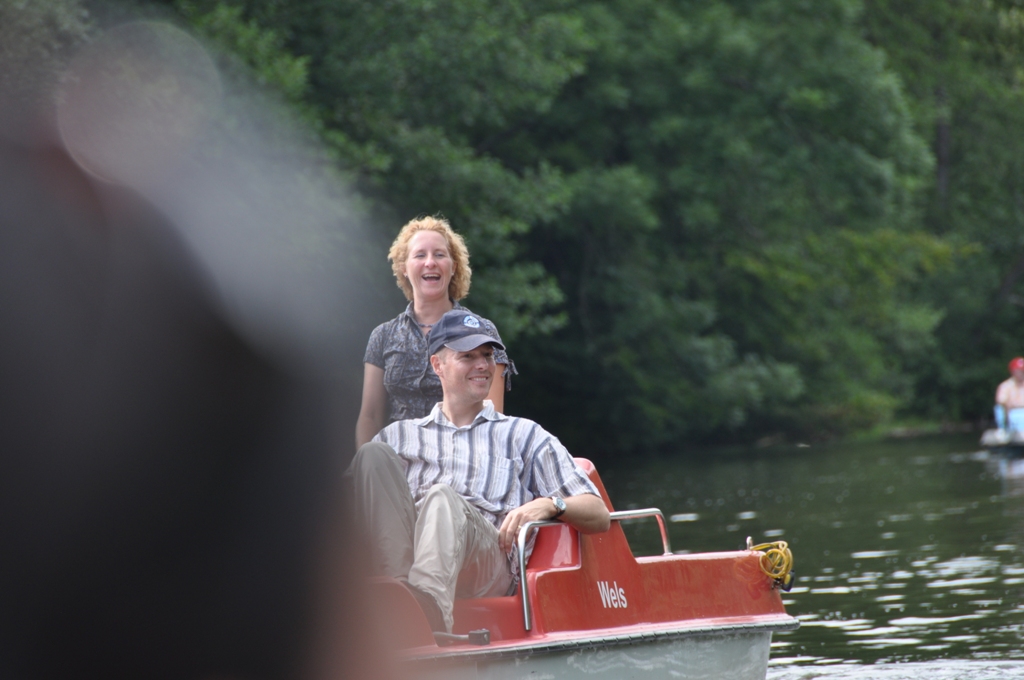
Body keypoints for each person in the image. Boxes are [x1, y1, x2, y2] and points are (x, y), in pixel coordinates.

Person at [346, 310, 610, 634]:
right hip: (412, 553)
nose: (483, 365)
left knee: (443, 498)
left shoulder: (522, 434)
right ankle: (398, 598)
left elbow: (599, 514)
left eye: (487, 355)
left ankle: (424, 616)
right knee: (370, 455)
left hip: (488, 563)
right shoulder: (398, 436)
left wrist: (550, 504)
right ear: (437, 365)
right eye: (468, 356)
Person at [355, 216, 515, 449]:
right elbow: (370, 416)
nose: (430, 262)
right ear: (404, 268)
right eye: (420, 255)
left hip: (461, 456)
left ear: (454, 266)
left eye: (439, 254)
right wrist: (365, 461)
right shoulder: (383, 335)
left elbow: (492, 416)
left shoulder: (483, 331)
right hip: (395, 458)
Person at [995, 357, 1024, 432]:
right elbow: (1001, 401)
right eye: (1018, 371)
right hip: (1012, 412)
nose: (1020, 373)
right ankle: (1004, 430)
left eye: (1022, 371)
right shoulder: (1005, 386)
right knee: (999, 409)